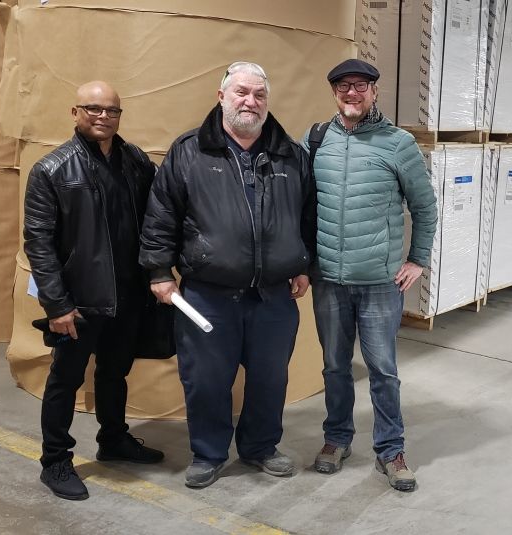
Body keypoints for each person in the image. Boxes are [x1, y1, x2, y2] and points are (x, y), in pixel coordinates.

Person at [139, 61, 316, 489]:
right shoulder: (189, 152)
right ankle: (208, 452)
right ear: (221, 96)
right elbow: (160, 216)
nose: (249, 102)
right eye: (240, 92)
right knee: (205, 379)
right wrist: (160, 270)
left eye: (258, 94)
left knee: (270, 379)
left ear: (267, 102)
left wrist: (304, 265)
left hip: (273, 296)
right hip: (207, 294)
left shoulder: (291, 154)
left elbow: (308, 215)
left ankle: (259, 447)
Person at [24, 81, 165, 501]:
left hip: (126, 295)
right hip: (79, 301)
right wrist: (56, 304)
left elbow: (160, 210)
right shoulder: (51, 170)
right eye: (94, 109)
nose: (103, 117)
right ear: (75, 112)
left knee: (114, 373)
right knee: (65, 380)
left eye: (112, 110)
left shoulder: (135, 161)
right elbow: (38, 242)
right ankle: (55, 461)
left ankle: (114, 439)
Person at [304, 59, 437, 492]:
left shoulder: (398, 144)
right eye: (344, 86)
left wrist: (417, 259)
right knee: (334, 366)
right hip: (328, 279)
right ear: (334, 92)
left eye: (361, 86)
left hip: (380, 281)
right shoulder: (316, 140)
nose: (352, 93)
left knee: (382, 369)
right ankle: (336, 439)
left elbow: (424, 205)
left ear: (375, 92)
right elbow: (298, 203)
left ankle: (390, 450)